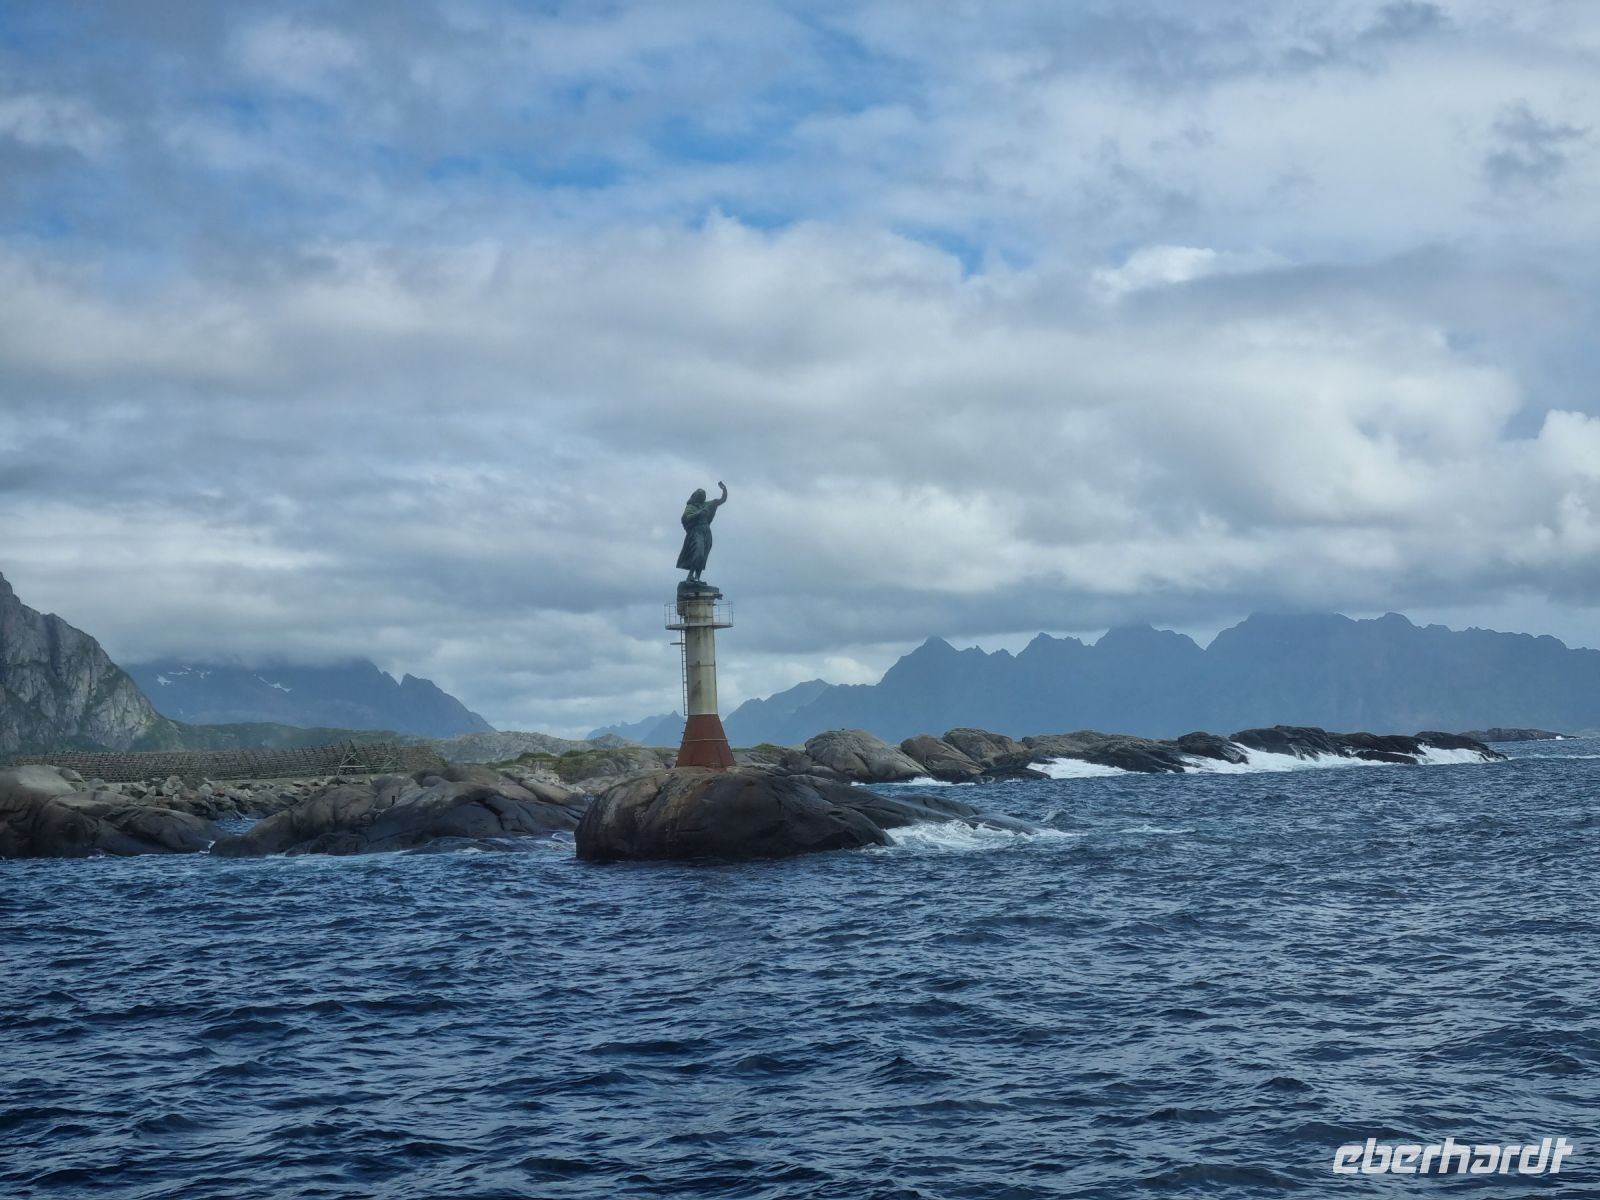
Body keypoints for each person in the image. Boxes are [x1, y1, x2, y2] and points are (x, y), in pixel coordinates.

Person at [676, 481, 727, 583]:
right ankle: (690, 576)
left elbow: (722, 500)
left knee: (703, 556)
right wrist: (699, 513)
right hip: (696, 532)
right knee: (698, 553)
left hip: (706, 532)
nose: (702, 496)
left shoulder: (707, 505)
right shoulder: (691, 507)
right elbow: (685, 518)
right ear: (695, 496)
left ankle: (697, 577)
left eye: (703, 495)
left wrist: (724, 489)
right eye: (700, 495)